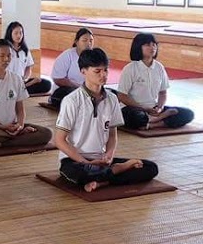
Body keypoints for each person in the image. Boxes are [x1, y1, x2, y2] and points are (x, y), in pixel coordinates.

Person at [55, 48, 159, 192]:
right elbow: (59, 140)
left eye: (105, 70)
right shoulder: (72, 100)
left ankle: (103, 180)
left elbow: (112, 135)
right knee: (80, 174)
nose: (103, 75)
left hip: (101, 159)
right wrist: (84, 162)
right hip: (75, 160)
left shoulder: (112, 98)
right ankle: (117, 171)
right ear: (83, 71)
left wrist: (109, 156)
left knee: (150, 168)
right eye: (97, 71)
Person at [0, 39, 53, 151]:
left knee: (46, 133)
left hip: (13, 126)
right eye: (2, 56)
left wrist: (20, 125)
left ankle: (3, 143)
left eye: (9, 56)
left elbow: (20, 110)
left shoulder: (16, 79)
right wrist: (1, 127)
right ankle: (13, 137)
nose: (6, 59)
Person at [118, 33, 195, 129]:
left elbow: (163, 93)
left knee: (188, 114)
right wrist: (143, 108)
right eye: (147, 45)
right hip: (134, 109)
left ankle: (152, 123)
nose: (152, 48)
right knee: (134, 117)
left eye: (154, 44)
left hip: (153, 109)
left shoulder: (159, 67)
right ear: (138, 47)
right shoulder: (130, 68)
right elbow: (122, 96)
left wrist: (160, 108)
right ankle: (158, 120)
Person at [48, 28, 95, 108]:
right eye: (84, 40)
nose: (88, 43)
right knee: (74, 95)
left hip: (85, 90)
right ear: (76, 42)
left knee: (111, 94)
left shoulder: (94, 57)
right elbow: (57, 79)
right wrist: (80, 87)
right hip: (67, 90)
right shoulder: (67, 56)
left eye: (91, 40)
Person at [5, 21, 51, 95]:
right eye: (16, 33)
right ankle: (20, 89)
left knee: (47, 84)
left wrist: (25, 79)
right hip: (7, 81)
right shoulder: (5, 49)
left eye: (21, 33)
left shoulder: (25, 50)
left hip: (21, 81)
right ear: (10, 34)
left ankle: (21, 88)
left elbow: (28, 68)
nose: (19, 36)